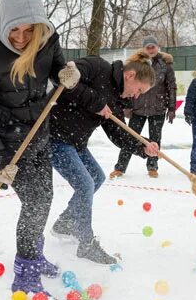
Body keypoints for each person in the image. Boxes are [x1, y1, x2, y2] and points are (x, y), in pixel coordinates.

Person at [0, 0, 77, 293]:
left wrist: (64, 75)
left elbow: (56, 68)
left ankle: (35, 254)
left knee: (45, 197)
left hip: (39, 133)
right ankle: (25, 273)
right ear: (2, 24)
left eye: (29, 30)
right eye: (14, 30)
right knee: (36, 201)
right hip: (9, 143)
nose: (20, 38)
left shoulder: (47, 38)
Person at [50, 51, 159, 264]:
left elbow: (118, 133)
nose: (137, 96)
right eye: (139, 90)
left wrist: (142, 146)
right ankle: (86, 244)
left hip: (75, 143)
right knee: (85, 185)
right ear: (130, 75)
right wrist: (96, 102)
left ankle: (64, 223)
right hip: (53, 136)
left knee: (96, 178)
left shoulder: (117, 101)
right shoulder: (96, 66)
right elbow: (63, 78)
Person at [110, 36, 176, 179]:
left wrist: (171, 108)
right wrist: (127, 106)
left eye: (153, 46)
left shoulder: (165, 65)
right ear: (144, 48)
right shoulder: (137, 63)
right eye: (148, 47)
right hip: (138, 108)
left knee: (154, 139)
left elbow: (171, 87)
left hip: (157, 108)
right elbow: (127, 85)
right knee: (130, 136)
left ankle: (152, 166)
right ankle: (120, 167)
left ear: (158, 47)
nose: (151, 49)